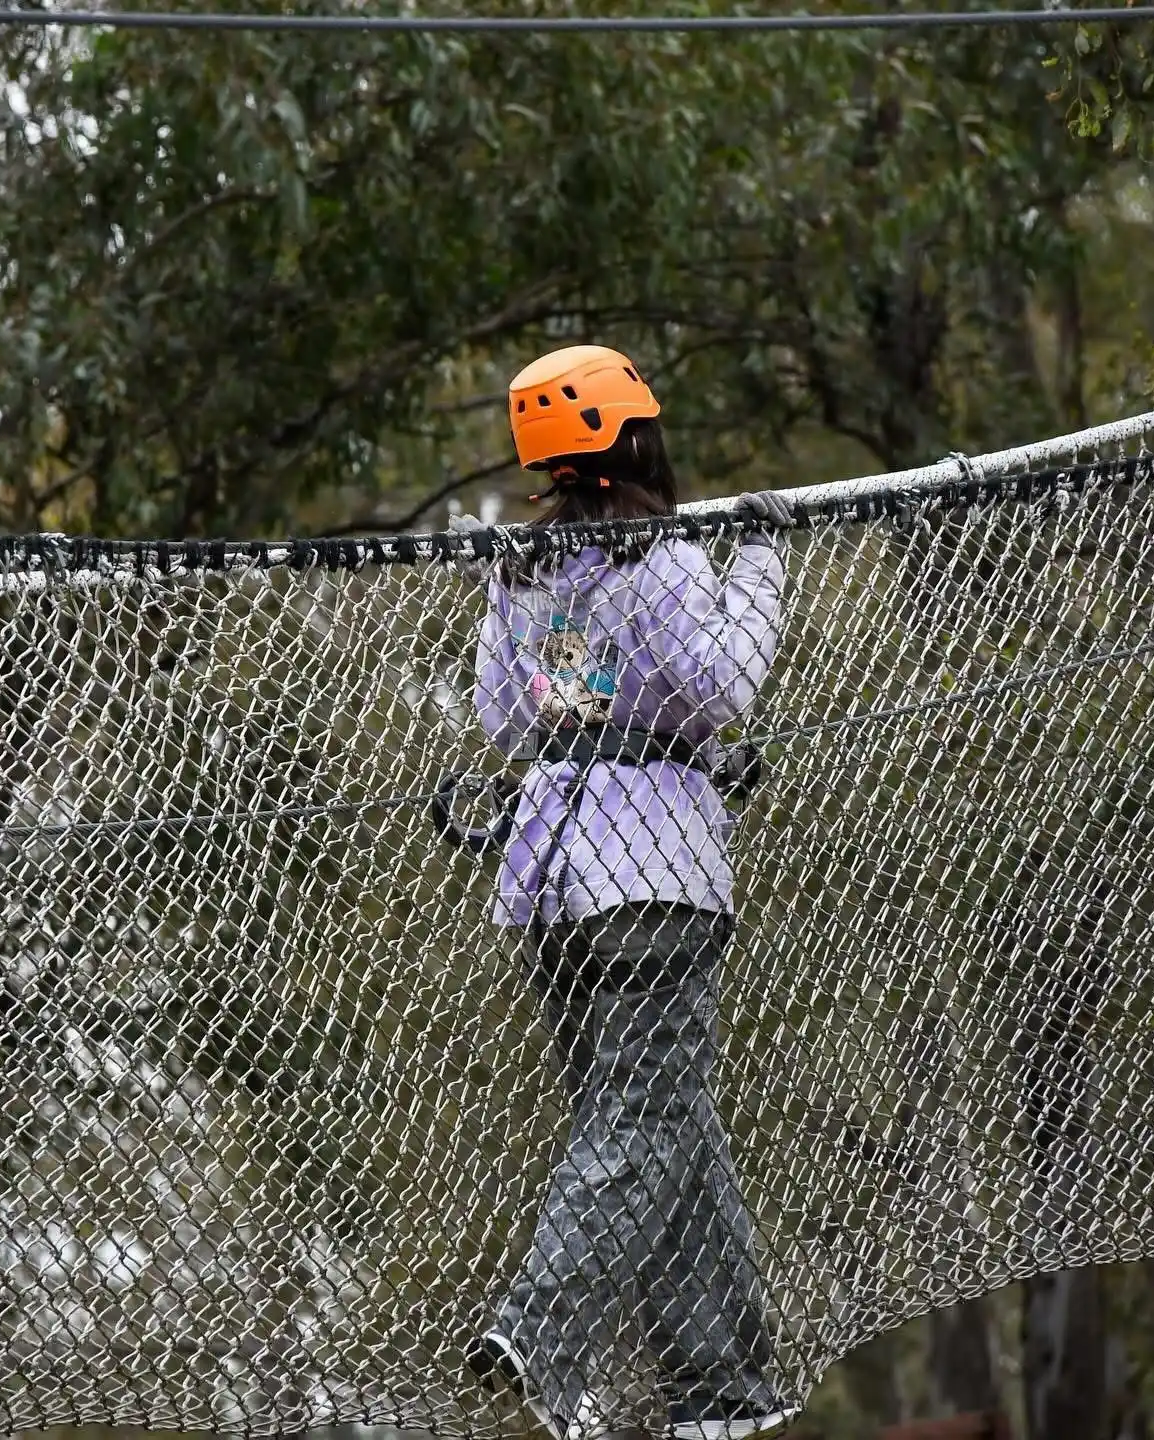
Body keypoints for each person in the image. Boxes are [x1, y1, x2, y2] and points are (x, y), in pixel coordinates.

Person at [454, 345, 797, 1440]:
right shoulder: (662, 551)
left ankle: (721, 1398)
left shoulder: (533, 572)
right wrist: (760, 567)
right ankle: (539, 1340)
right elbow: (717, 686)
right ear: (634, 435)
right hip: (655, 877)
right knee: (645, 1121)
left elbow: (514, 720)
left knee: (669, 1129)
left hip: (552, 877)